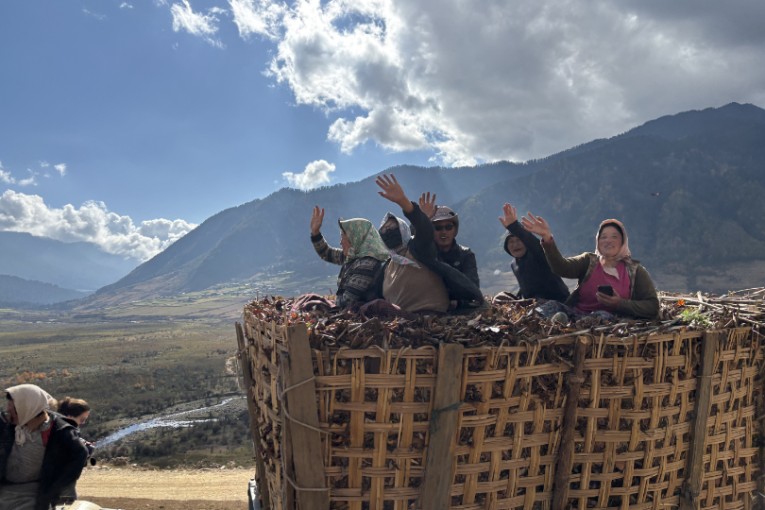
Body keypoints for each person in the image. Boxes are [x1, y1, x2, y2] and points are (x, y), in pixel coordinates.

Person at [521, 214, 659, 319]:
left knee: (601, 315)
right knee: (551, 306)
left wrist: (619, 303)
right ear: (598, 241)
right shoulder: (589, 261)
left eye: (614, 237)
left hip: (608, 323)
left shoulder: (635, 271)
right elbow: (561, 267)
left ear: (623, 242)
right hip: (577, 317)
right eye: (603, 237)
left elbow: (652, 306)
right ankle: (556, 326)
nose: (608, 241)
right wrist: (547, 238)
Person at [1, 384, 88, 510]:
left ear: (29, 407)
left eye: (13, 407)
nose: (8, 410)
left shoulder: (58, 431)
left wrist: (55, 488)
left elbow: (80, 454)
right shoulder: (6, 424)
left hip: (32, 494)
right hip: (4, 490)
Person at [310, 207, 389, 309]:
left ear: (355, 237)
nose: (340, 242)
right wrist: (315, 232)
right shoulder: (354, 257)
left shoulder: (367, 263)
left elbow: (346, 302)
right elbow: (327, 253)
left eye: (343, 237)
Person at [498, 202, 569, 301]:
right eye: (511, 242)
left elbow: (532, 242)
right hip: (532, 303)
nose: (515, 245)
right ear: (507, 246)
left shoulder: (538, 255)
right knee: (500, 297)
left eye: (519, 240)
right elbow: (526, 285)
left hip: (557, 301)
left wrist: (514, 226)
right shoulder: (514, 264)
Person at [426, 203, 483, 309]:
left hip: (460, 307)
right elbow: (414, 241)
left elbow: (472, 288)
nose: (444, 232)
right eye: (438, 228)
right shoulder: (426, 254)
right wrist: (422, 219)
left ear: (455, 230)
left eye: (448, 227)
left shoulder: (466, 254)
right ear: (430, 231)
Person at [57, 397, 95, 504]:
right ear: (69, 416)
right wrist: (84, 451)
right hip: (61, 488)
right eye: (82, 419)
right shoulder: (63, 433)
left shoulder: (60, 430)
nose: (82, 423)